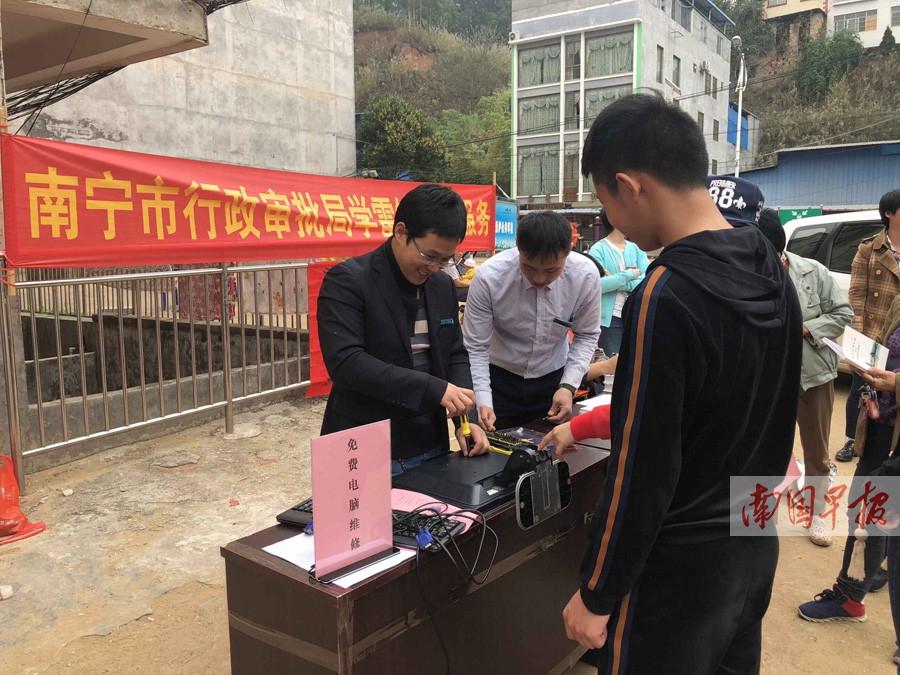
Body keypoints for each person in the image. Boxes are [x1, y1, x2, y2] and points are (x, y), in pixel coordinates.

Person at [539, 92, 802, 674]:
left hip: (677, 571)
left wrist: (597, 591)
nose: (614, 222)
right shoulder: (770, 268)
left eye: (606, 204)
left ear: (628, 186)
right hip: (752, 544)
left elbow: (644, 466)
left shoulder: (666, 292)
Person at [317, 184, 489, 476]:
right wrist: (432, 388)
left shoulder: (441, 286)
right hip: (364, 444)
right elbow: (346, 363)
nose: (435, 267)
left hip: (430, 443)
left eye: (445, 260)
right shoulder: (348, 281)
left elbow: (455, 354)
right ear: (401, 232)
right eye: (429, 255)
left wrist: (466, 418)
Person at [797, 292, 900, 622]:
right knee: (865, 511)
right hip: (882, 424)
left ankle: (851, 594)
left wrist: (897, 382)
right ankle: (850, 595)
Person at [757, 207, 853, 547]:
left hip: (813, 376)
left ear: (779, 248)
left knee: (817, 453)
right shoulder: (745, 276)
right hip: (768, 380)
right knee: (762, 448)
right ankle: (760, 517)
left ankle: (816, 515)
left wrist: (805, 327)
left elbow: (842, 313)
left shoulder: (813, 272)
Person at [463, 210, 602, 431]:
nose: (539, 278)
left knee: (550, 448)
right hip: (497, 380)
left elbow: (586, 335)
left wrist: (568, 385)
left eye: (551, 270)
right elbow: (475, 346)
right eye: (529, 267)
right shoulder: (490, 277)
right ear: (518, 246)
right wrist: (483, 399)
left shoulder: (584, 276)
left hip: (553, 380)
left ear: (569, 251)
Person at [838, 188, 900, 462]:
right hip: (874, 336)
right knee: (862, 391)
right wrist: (859, 341)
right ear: (889, 213)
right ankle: (853, 439)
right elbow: (856, 297)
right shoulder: (869, 249)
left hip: (899, 337)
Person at [587, 211, 648, 357]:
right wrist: (630, 274)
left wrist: (616, 282)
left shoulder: (636, 249)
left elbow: (646, 279)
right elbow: (598, 285)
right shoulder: (598, 249)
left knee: (633, 361)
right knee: (612, 363)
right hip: (610, 320)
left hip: (633, 316)